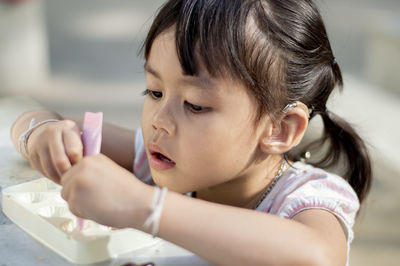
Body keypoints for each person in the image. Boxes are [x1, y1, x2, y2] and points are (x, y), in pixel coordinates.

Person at [10, 0, 372, 265]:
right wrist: (43, 133)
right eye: (155, 92)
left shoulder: (304, 199)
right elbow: (44, 120)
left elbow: (316, 256)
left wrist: (145, 207)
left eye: (196, 105)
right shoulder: (159, 158)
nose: (159, 121)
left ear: (279, 128)